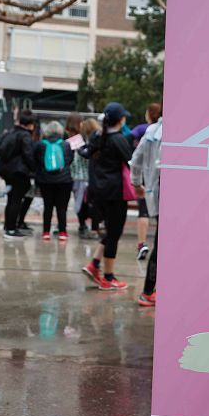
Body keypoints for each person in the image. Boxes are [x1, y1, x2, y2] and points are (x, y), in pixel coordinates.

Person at [81, 103, 134, 290]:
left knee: (111, 232)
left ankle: (94, 265)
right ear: (121, 120)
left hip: (98, 192)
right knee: (114, 234)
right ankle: (108, 278)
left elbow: (85, 152)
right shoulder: (118, 140)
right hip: (115, 193)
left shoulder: (98, 137)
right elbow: (131, 161)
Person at [132, 109, 162, 307]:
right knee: (162, 245)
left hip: (154, 193)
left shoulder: (152, 130)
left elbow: (136, 159)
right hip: (171, 197)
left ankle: (149, 291)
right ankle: (148, 291)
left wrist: (136, 183)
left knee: (161, 243)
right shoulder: (178, 131)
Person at [0, 110, 37, 239]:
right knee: (16, 201)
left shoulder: (11, 132)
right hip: (19, 172)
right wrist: (34, 169)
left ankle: (8, 226)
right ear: (30, 124)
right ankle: (12, 229)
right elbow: (28, 154)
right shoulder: (25, 136)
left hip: (8, 172)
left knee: (11, 200)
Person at [34, 120, 74, 241]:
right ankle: (62, 232)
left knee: (48, 206)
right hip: (64, 180)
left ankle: (46, 232)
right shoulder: (66, 144)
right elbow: (69, 160)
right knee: (62, 207)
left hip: (45, 180)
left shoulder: (40, 144)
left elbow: (36, 160)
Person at [133, 102, 161, 261]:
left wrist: (136, 182)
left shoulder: (146, 130)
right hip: (156, 183)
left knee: (143, 212)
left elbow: (136, 158)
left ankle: (141, 243)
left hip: (148, 182)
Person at [69, 115, 101, 238]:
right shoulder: (99, 141)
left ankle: (82, 225)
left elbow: (70, 157)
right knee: (93, 204)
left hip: (77, 176)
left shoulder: (75, 140)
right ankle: (94, 227)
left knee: (80, 203)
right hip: (92, 177)